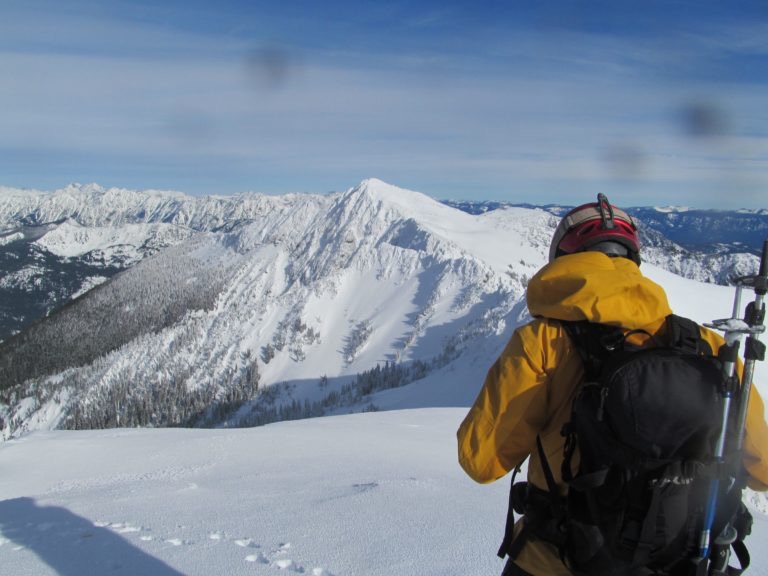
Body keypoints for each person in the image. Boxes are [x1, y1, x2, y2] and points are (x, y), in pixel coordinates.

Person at [456, 194, 768, 576]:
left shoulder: (543, 342)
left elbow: (481, 460)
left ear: (564, 260)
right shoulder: (712, 348)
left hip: (555, 560)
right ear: (633, 261)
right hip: (675, 562)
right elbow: (763, 468)